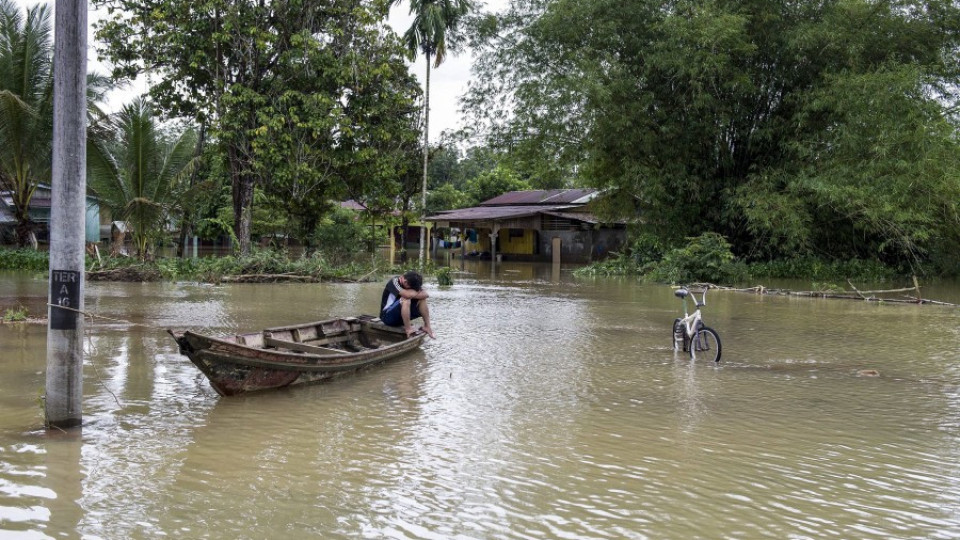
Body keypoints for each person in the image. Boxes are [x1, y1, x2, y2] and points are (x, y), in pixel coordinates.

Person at [380, 270, 435, 339]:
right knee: (406, 299)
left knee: (422, 300)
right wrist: (414, 293)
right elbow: (406, 295)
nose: (412, 289)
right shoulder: (394, 281)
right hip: (387, 317)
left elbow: (425, 295)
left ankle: (427, 326)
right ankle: (408, 329)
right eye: (410, 288)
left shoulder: (413, 283)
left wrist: (411, 293)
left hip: (399, 318)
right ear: (405, 282)